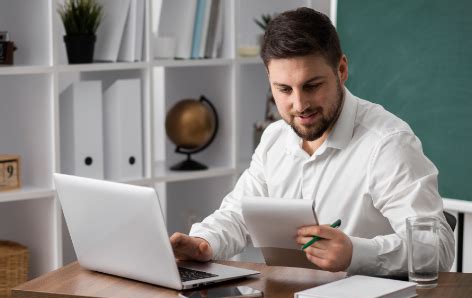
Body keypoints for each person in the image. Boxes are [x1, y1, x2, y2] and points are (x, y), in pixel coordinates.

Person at [170, 7, 455, 276]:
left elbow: (438, 247)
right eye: (284, 89)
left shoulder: (388, 144)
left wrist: (355, 253)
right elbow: (237, 214)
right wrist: (203, 242)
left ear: (341, 70)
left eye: (312, 86)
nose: (299, 105)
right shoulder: (274, 138)